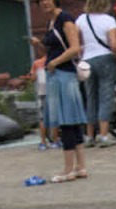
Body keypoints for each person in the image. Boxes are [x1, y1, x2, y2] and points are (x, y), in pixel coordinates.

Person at [38, 0, 88, 183]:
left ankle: (68, 169)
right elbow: (52, 48)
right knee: (72, 121)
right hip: (56, 75)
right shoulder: (50, 22)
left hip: (64, 75)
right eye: (41, 1)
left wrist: (55, 62)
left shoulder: (65, 18)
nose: (44, 3)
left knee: (67, 121)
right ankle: (80, 167)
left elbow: (75, 48)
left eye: (47, 0)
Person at [76, 0, 116, 148]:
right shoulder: (109, 20)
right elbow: (114, 44)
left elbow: (76, 44)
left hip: (87, 60)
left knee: (91, 97)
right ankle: (104, 134)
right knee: (105, 96)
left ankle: (89, 136)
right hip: (105, 58)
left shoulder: (81, 19)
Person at [28, 52, 61, 151]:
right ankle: (55, 140)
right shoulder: (55, 61)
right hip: (52, 90)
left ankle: (43, 142)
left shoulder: (37, 63)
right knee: (54, 116)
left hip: (41, 91)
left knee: (42, 117)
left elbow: (33, 78)